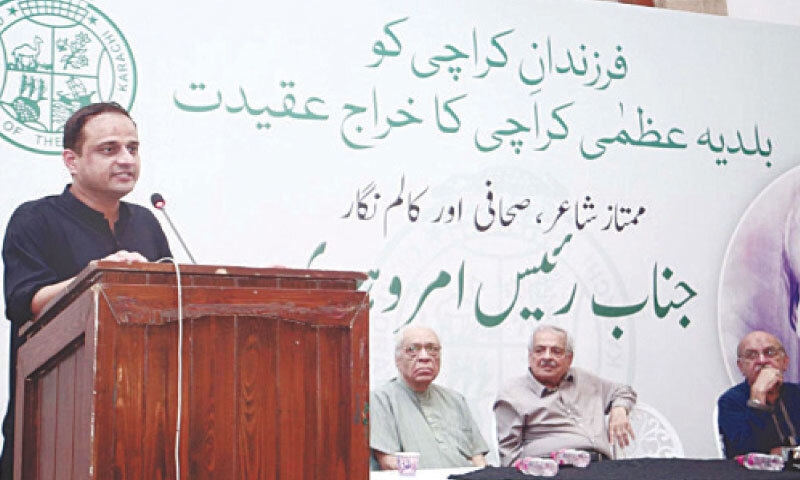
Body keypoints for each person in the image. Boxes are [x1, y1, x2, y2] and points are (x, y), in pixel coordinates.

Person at [1, 102, 172, 479]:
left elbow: (169, 302)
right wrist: (97, 275)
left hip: (138, 421)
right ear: (71, 160)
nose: (126, 159)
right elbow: (23, 300)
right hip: (53, 422)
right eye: (109, 149)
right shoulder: (34, 219)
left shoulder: (146, 222)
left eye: (133, 148)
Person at [493, 325, 637, 466]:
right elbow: (509, 459)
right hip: (553, 469)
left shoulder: (585, 379)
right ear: (530, 356)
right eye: (539, 350)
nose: (547, 357)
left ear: (569, 359)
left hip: (601, 466)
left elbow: (624, 391)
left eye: (556, 351)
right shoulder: (512, 394)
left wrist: (619, 409)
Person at [369, 325, 489, 470]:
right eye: (413, 349)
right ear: (397, 360)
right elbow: (388, 462)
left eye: (433, 349)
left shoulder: (455, 400)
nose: (425, 357)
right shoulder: (381, 400)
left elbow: (477, 457)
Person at [717, 330, 800, 458]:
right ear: (741, 367)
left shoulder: (796, 393)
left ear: (785, 362)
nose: (762, 361)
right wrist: (758, 397)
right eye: (751, 355)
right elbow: (746, 453)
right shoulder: (730, 402)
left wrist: (783, 453)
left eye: (770, 353)